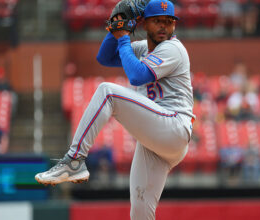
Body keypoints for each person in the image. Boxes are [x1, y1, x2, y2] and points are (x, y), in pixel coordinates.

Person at [35, 0, 194, 219]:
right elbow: (105, 57)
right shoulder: (143, 48)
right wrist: (116, 26)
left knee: (107, 92)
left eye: (169, 22)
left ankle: (74, 160)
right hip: (157, 139)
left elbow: (137, 75)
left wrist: (123, 37)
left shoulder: (172, 48)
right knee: (139, 208)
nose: (164, 26)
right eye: (157, 21)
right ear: (144, 23)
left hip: (173, 126)